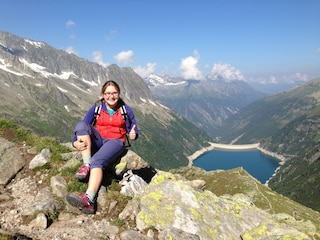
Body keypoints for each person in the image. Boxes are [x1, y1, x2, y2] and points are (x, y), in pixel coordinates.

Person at [66, 80, 138, 214]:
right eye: (108, 93)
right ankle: (86, 165)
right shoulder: (97, 107)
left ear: (119, 93)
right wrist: (74, 142)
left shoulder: (125, 110)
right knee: (81, 125)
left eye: (114, 93)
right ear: (103, 95)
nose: (111, 96)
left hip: (116, 141)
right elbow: (84, 125)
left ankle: (89, 199)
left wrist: (133, 134)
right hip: (99, 139)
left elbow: (133, 130)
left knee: (97, 160)